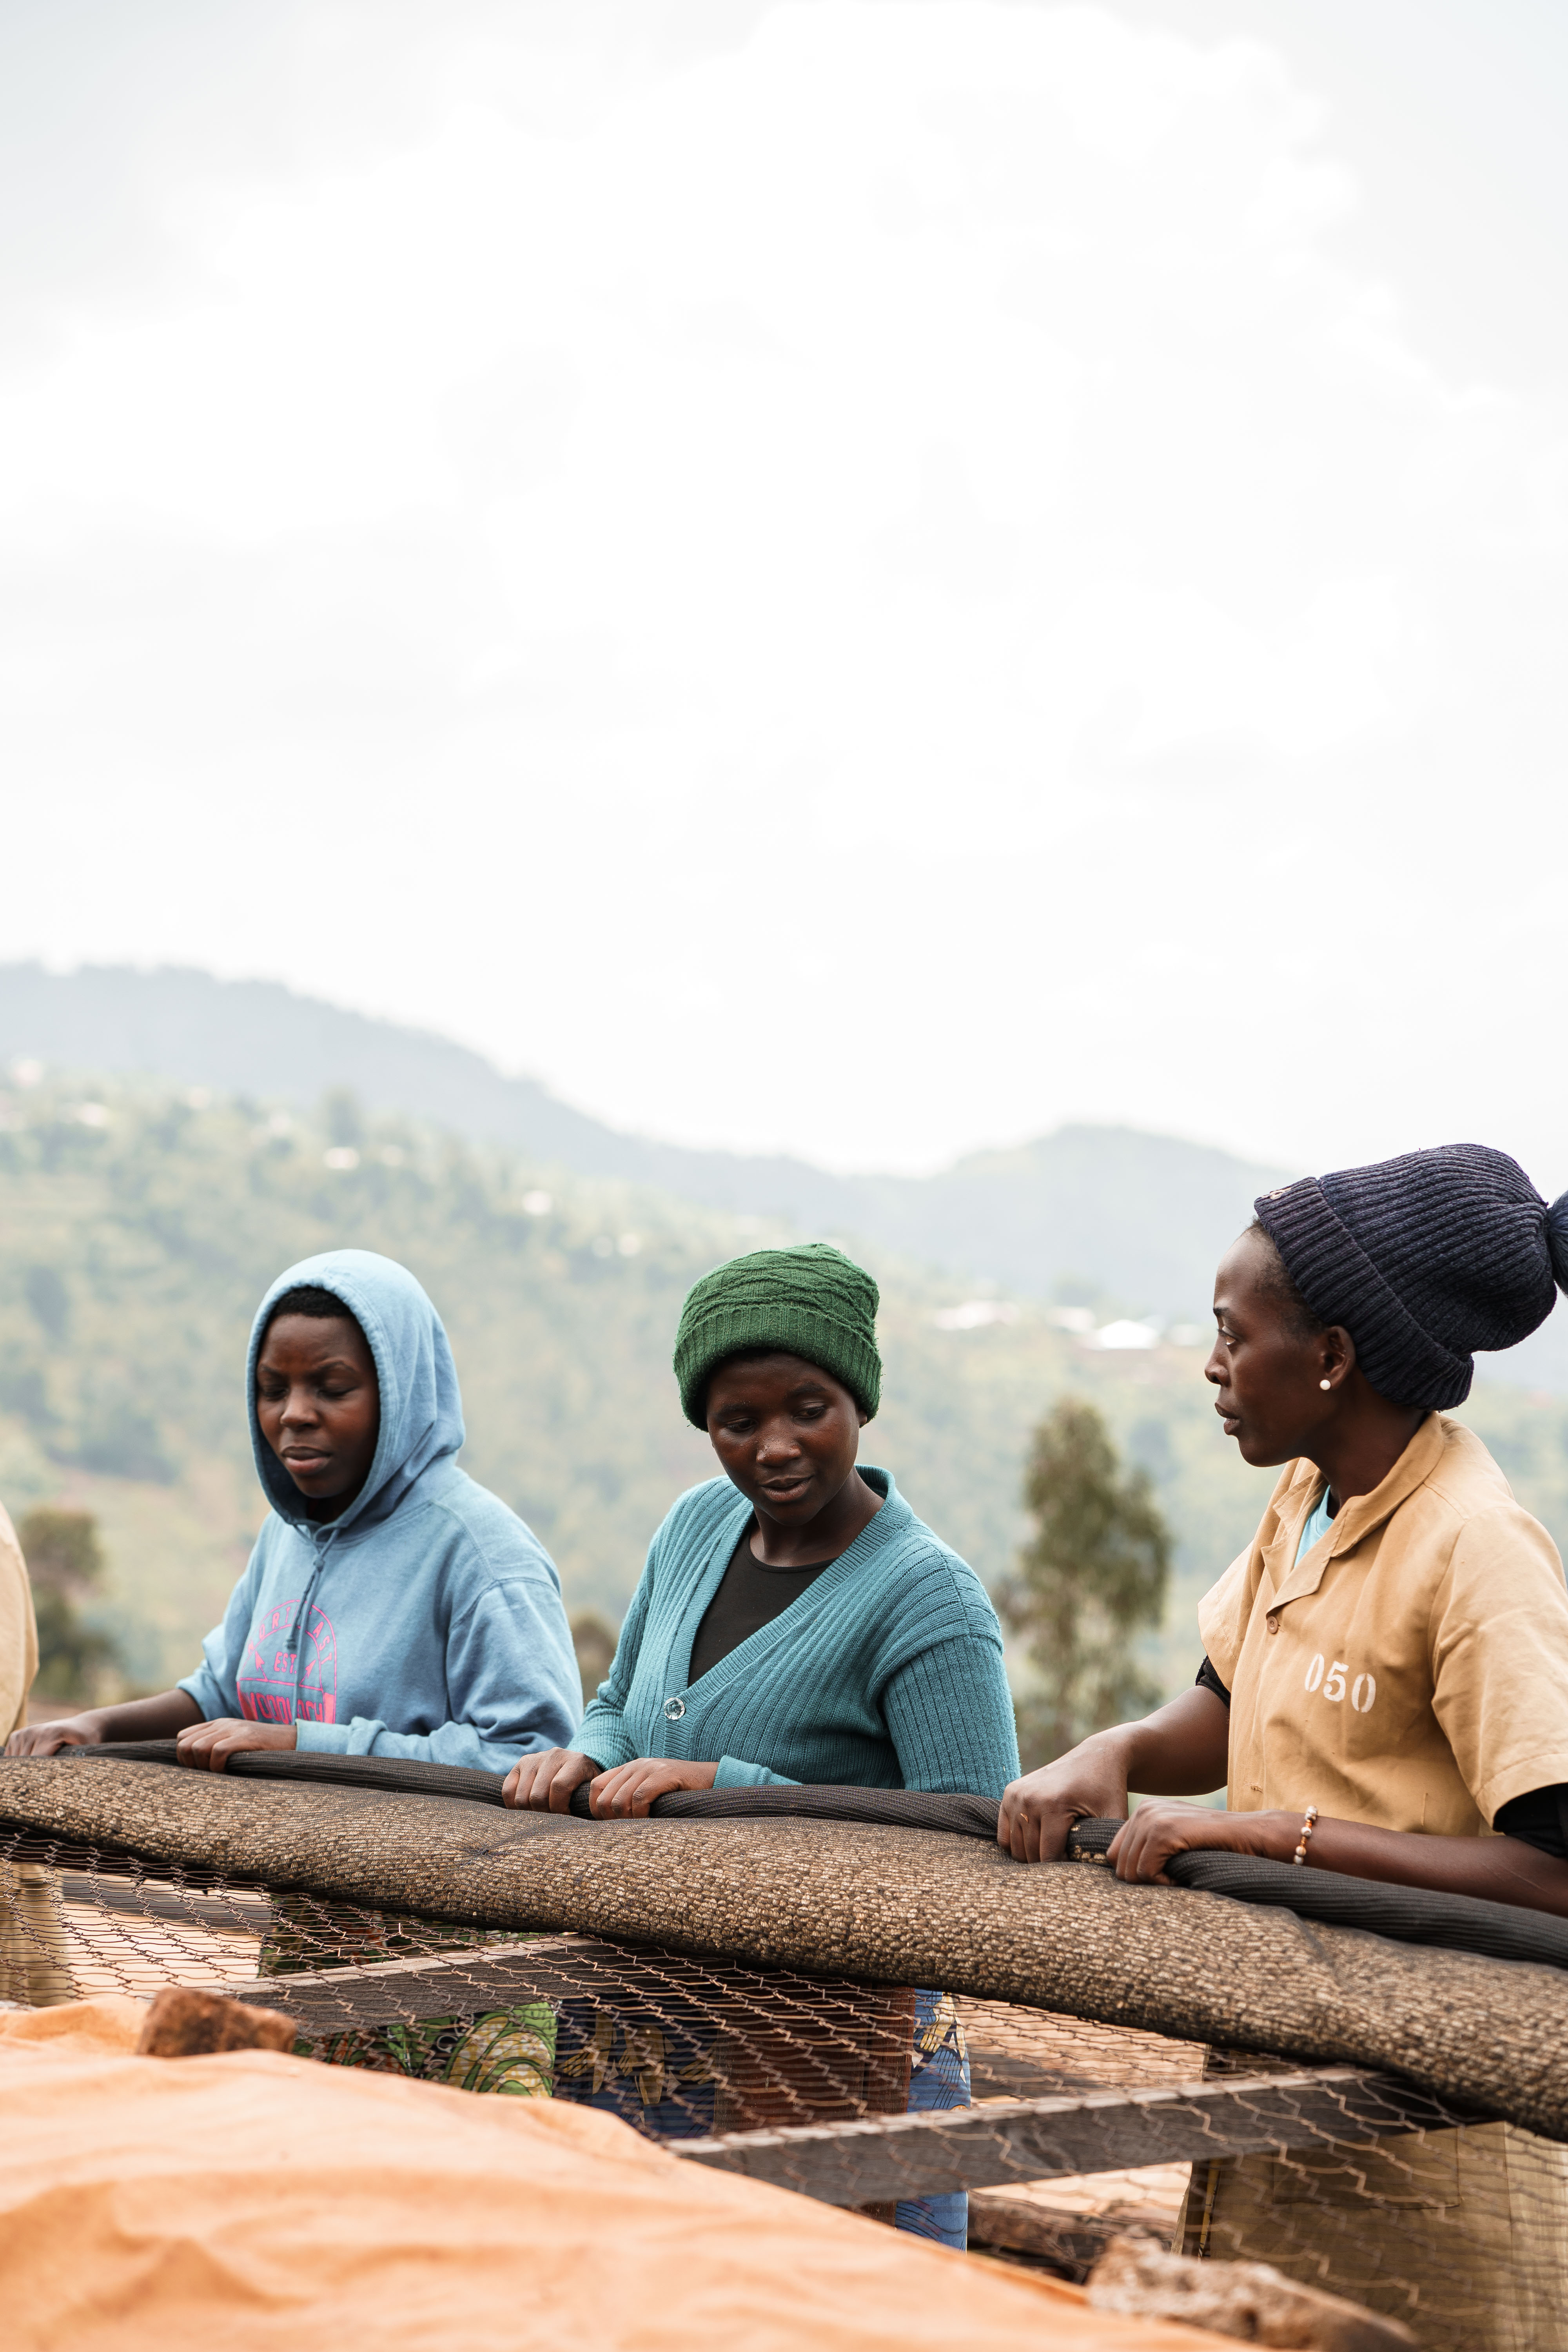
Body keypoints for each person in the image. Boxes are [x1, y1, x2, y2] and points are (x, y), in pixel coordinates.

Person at [997, 1144, 1568, 2348]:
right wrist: (1114, 1750)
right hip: (1273, 2098)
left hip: (1430, 2155)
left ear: (1332, 1358)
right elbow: (1224, 1697)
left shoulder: (1478, 1550)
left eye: (1231, 1333)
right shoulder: (1305, 1500)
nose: (1212, 1365)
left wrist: (1277, 1836)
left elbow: (1553, 1877)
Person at [506, 1241, 1019, 2246]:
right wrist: (588, 1753)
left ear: (858, 1401)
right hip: (641, 2027)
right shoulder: (695, 1527)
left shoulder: (927, 1600)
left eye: (805, 1409)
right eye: (737, 1422)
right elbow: (620, 1701)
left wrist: (725, 1788)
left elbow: (970, 1854)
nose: (773, 1447)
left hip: (834, 2058)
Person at [9, 1249, 581, 1772]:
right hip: (279, 1882)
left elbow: (534, 1755)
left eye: (332, 1388)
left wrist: (302, 1744)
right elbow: (222, 1693)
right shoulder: (289, 1534)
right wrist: (95, 1725)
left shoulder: (482, 1555)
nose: (294, 1414)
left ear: (400, 1394)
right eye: (273, 1388)